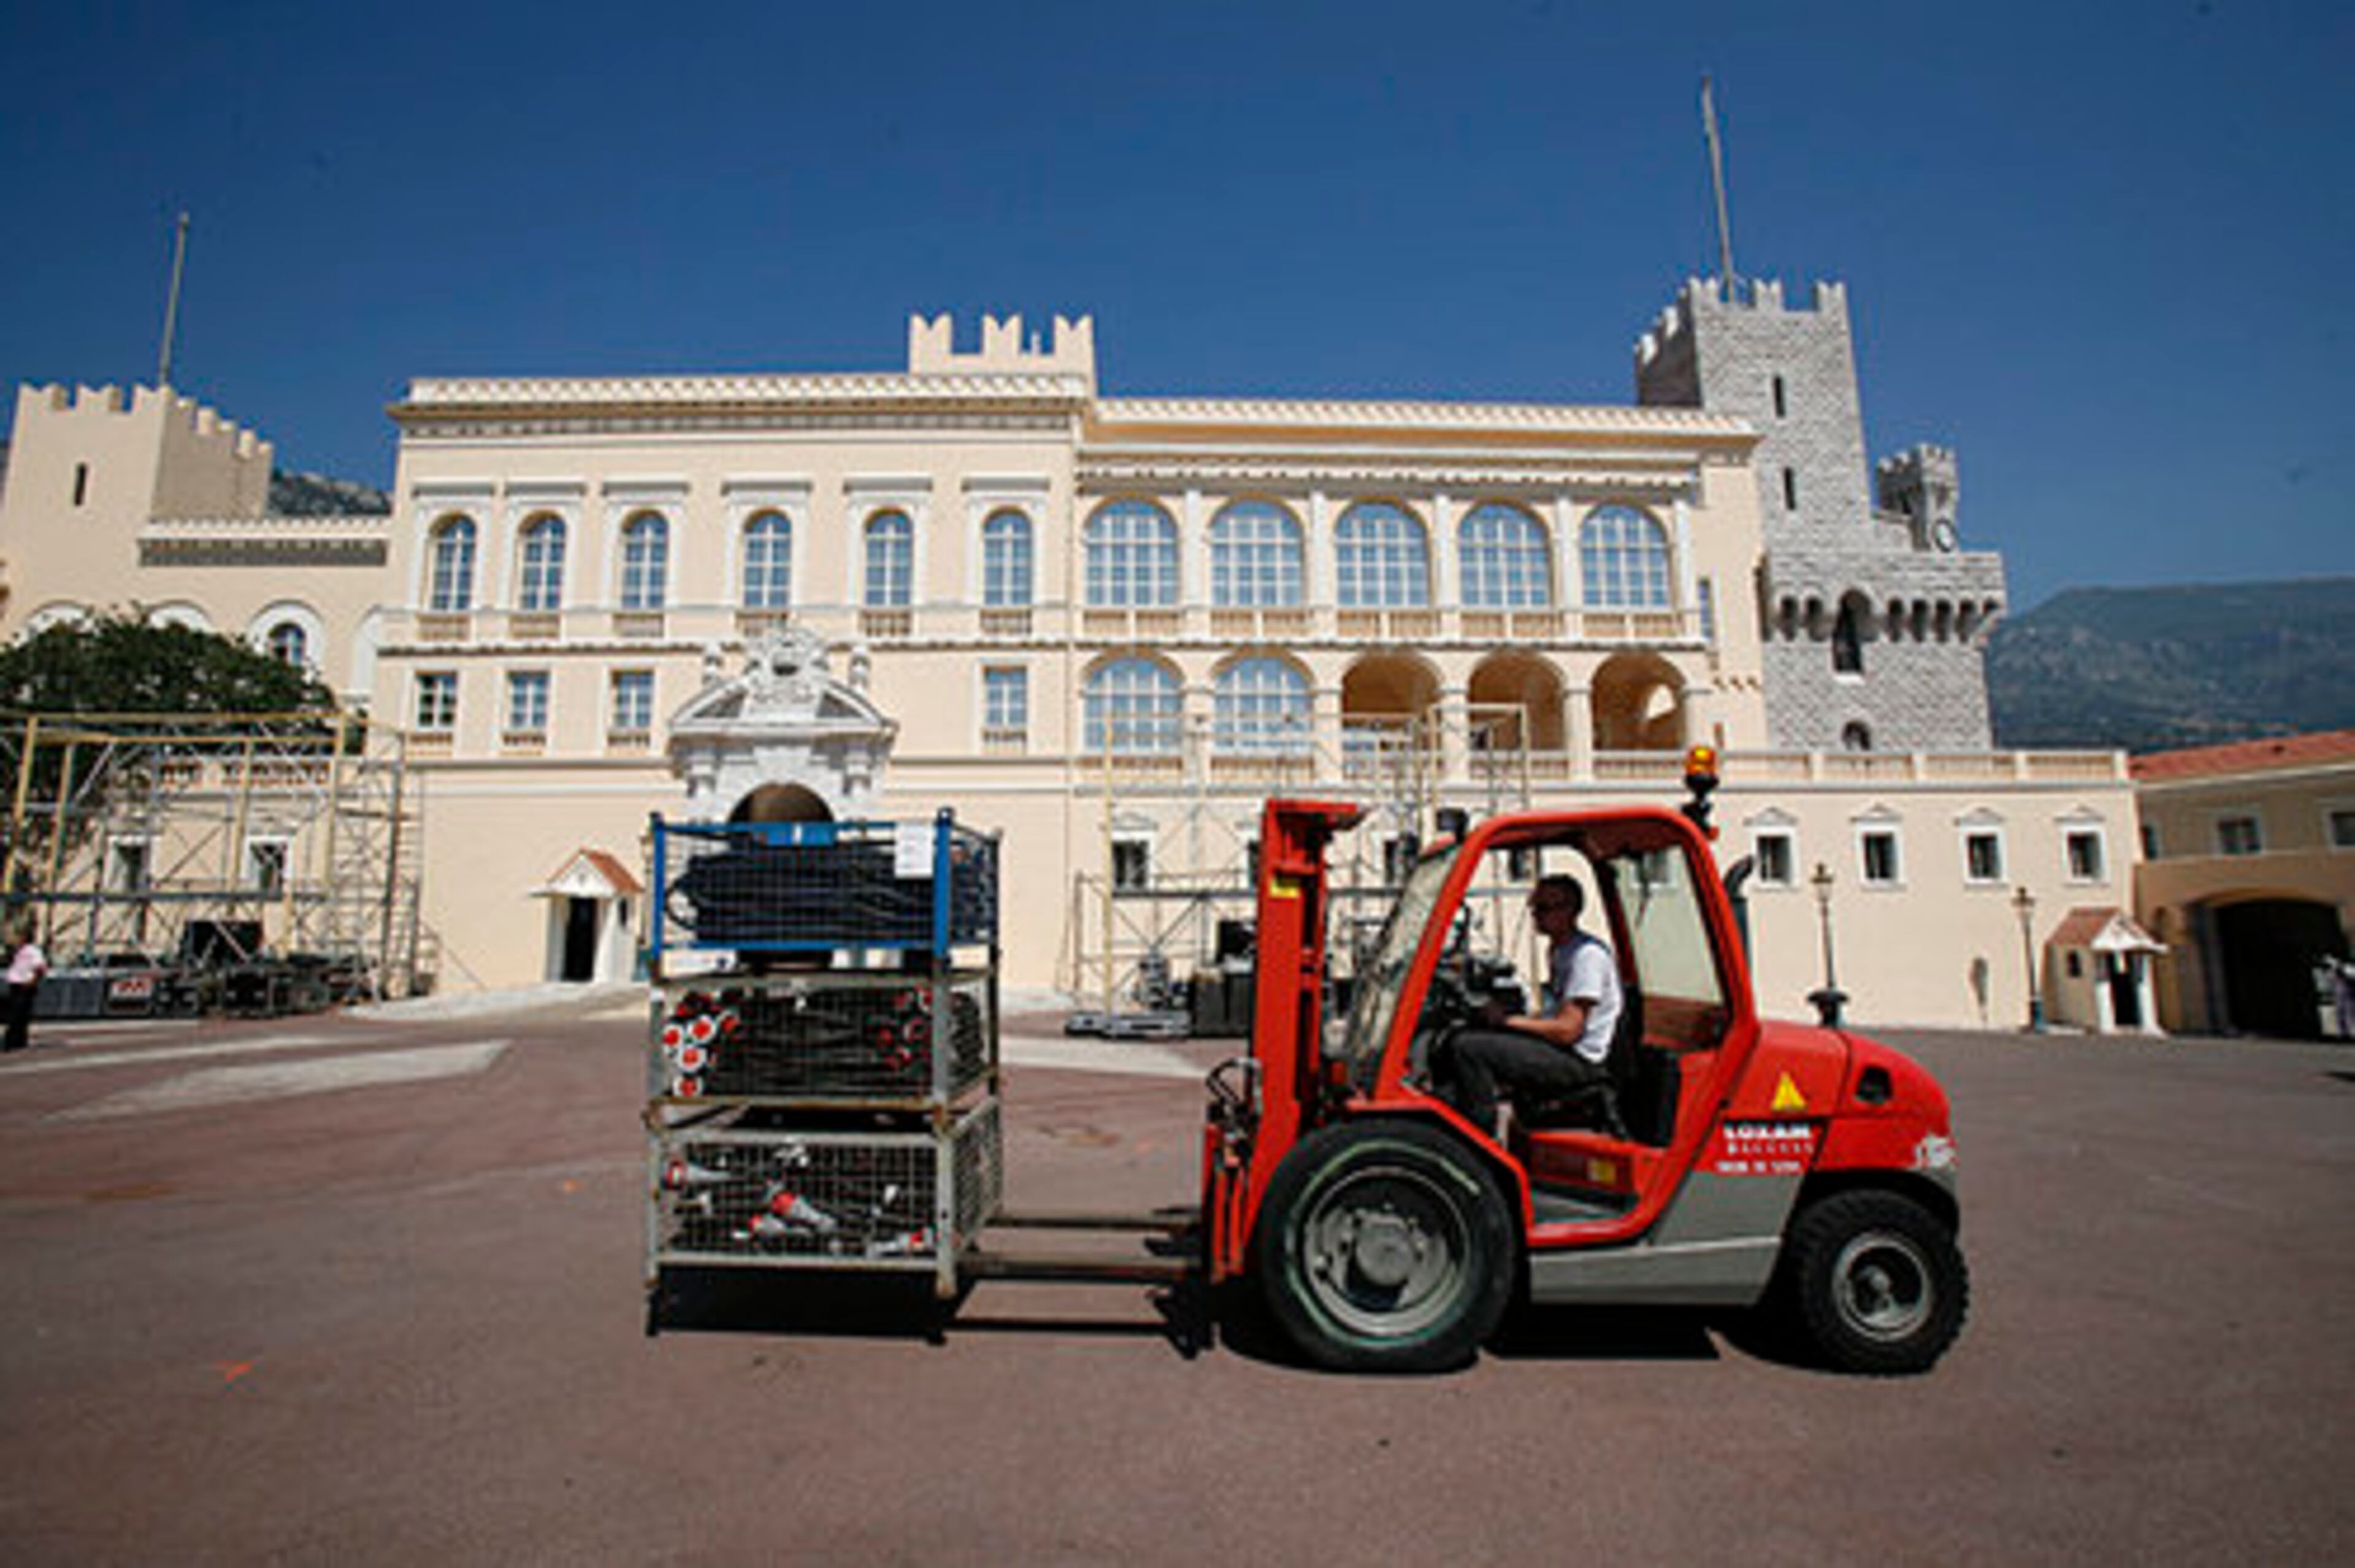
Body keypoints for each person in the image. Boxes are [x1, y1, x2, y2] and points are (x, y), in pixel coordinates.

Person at [1439, 874, 1623, 1138]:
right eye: (1534, 908)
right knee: (1467, 1034)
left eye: (1543, 909)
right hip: (1563, 1049)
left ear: (1569, 909)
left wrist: (1507, 1021)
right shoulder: (1560, 950)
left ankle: (1478, 1139)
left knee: (1469, 1049)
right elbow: (1555, 1012)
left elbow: (1568, 1030)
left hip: (1579, 1060)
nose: (1536, 916)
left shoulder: (1587, 957)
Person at [5, 923, 48, 1052]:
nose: (17, 939)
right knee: (17, 1014)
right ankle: (18, 1040)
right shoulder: (19, 951)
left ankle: (12, 1041)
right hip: (15, 985)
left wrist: (32, 981)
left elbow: (41, 968)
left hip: (25, 986)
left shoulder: (33, 951)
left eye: (19, 937)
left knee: (17, 1015)